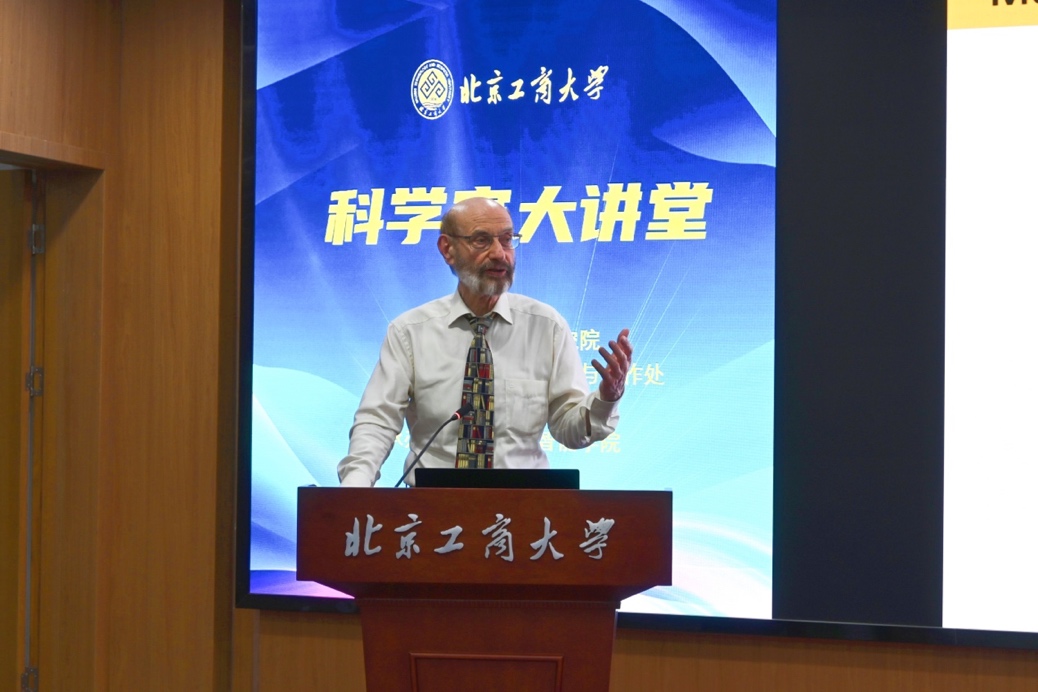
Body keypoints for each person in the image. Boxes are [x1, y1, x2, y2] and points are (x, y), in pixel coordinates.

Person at [336, 196, 632, 487]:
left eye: (507, 240)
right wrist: (354, 489)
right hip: (431, 505)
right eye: (481, 240)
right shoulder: (410, 331)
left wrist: (606, 399)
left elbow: (570, 430)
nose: (500, 254)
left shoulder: (546, 326)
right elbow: (378, 420)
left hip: (523, 505)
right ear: (447, 249)